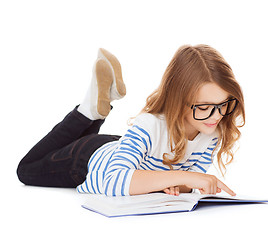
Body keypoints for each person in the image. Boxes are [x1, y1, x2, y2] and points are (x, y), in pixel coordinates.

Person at [17, 45, 245, 197]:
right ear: (177, 101)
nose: (217, 116)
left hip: (123, 148)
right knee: (26, 169)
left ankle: (95, 108)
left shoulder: (210, 132)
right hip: (88, 160)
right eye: (204, 107)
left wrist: (179, 183)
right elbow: (114, 180)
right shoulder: (149, 125)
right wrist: (183, 177)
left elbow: (188, 185)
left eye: (224, 104)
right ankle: (88, 111)